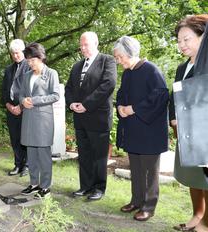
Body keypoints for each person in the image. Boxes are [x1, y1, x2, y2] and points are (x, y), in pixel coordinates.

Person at [114, 36, 169, 221]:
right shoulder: (128, 73)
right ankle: (136, 201)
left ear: (129, 54)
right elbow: (122, 94)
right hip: (133, 131)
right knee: (136, 170)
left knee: (149, 172)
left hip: (150, 132)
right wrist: (120, 106)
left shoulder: (151, 70)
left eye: (120, 57)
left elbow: (160, 97)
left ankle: (149, 206)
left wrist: (134, 109)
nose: (118, 61)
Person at [65, 32, 117, 201]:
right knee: (85, 154)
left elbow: (108, 85)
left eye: (86, 44)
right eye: (81, 45)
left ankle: (98, 188)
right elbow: (69, 88)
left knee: (99, 156)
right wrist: (72, 103)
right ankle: (85, 186)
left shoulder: (107, 61)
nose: (83, 48)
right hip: (80, 118)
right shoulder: (76, 66)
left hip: (98, 117)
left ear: (96, 43)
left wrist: (86, 104)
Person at [169, 14, 208, 232]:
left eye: (187, 39)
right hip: (185, 133)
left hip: (203, 133)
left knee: (206, 178)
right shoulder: (181, 68)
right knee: (193, 177)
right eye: (179, 40)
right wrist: (173, 119)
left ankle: (206, 223)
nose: (181, 44)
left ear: (203, 38)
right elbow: (174, 98)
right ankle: (197, 215)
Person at [19, 42, 60, 199]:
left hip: (43, 121)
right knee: (32, 154)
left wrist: (35, 100)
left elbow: (55, 95)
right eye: (28, 61)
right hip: (28, 119)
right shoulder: (27, 75)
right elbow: (21, 94)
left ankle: (46, 186)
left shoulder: (51, 74)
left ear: (41, 58)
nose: (30, 64)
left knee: (43, 155)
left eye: (32, 60)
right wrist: (23, 101)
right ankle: (34, 183)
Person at [1, 39, 30, 176]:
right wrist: (9, 105)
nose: (15, 56)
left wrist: (20, 107)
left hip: (26, 110)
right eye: (13, 53)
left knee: (26, 138)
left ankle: (27, 165)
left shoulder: (30, 67)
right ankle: (18, 164)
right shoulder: (8, 69)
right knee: (14, 138)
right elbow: (4, 90)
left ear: (23, 52)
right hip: (11, 109)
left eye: (17, 53)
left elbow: (31, 90)